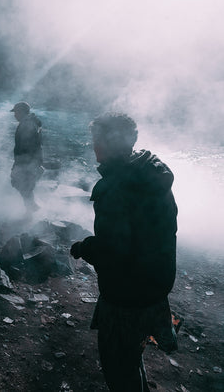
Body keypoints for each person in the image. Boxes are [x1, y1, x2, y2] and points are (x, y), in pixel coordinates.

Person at [70, 112, 178, 392]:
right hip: (156, 287)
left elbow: (114, 251)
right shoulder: (152, 173)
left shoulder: (117, 187)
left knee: (119, 368)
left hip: (127, 298)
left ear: (111, 143)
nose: (93, 146)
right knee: (133, 356)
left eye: (97, 140)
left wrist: (84, 247)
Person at [10, 101, 43, 214]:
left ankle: (31, 210)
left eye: (15, 112)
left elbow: (26, 145)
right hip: (30, 159)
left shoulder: (26, 125)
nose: (14, 115)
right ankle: (31, 208)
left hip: (26, 160)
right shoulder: (30, 122)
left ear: (21, 112)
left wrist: (20, 163)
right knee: (24, 185)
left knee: (22, 184)